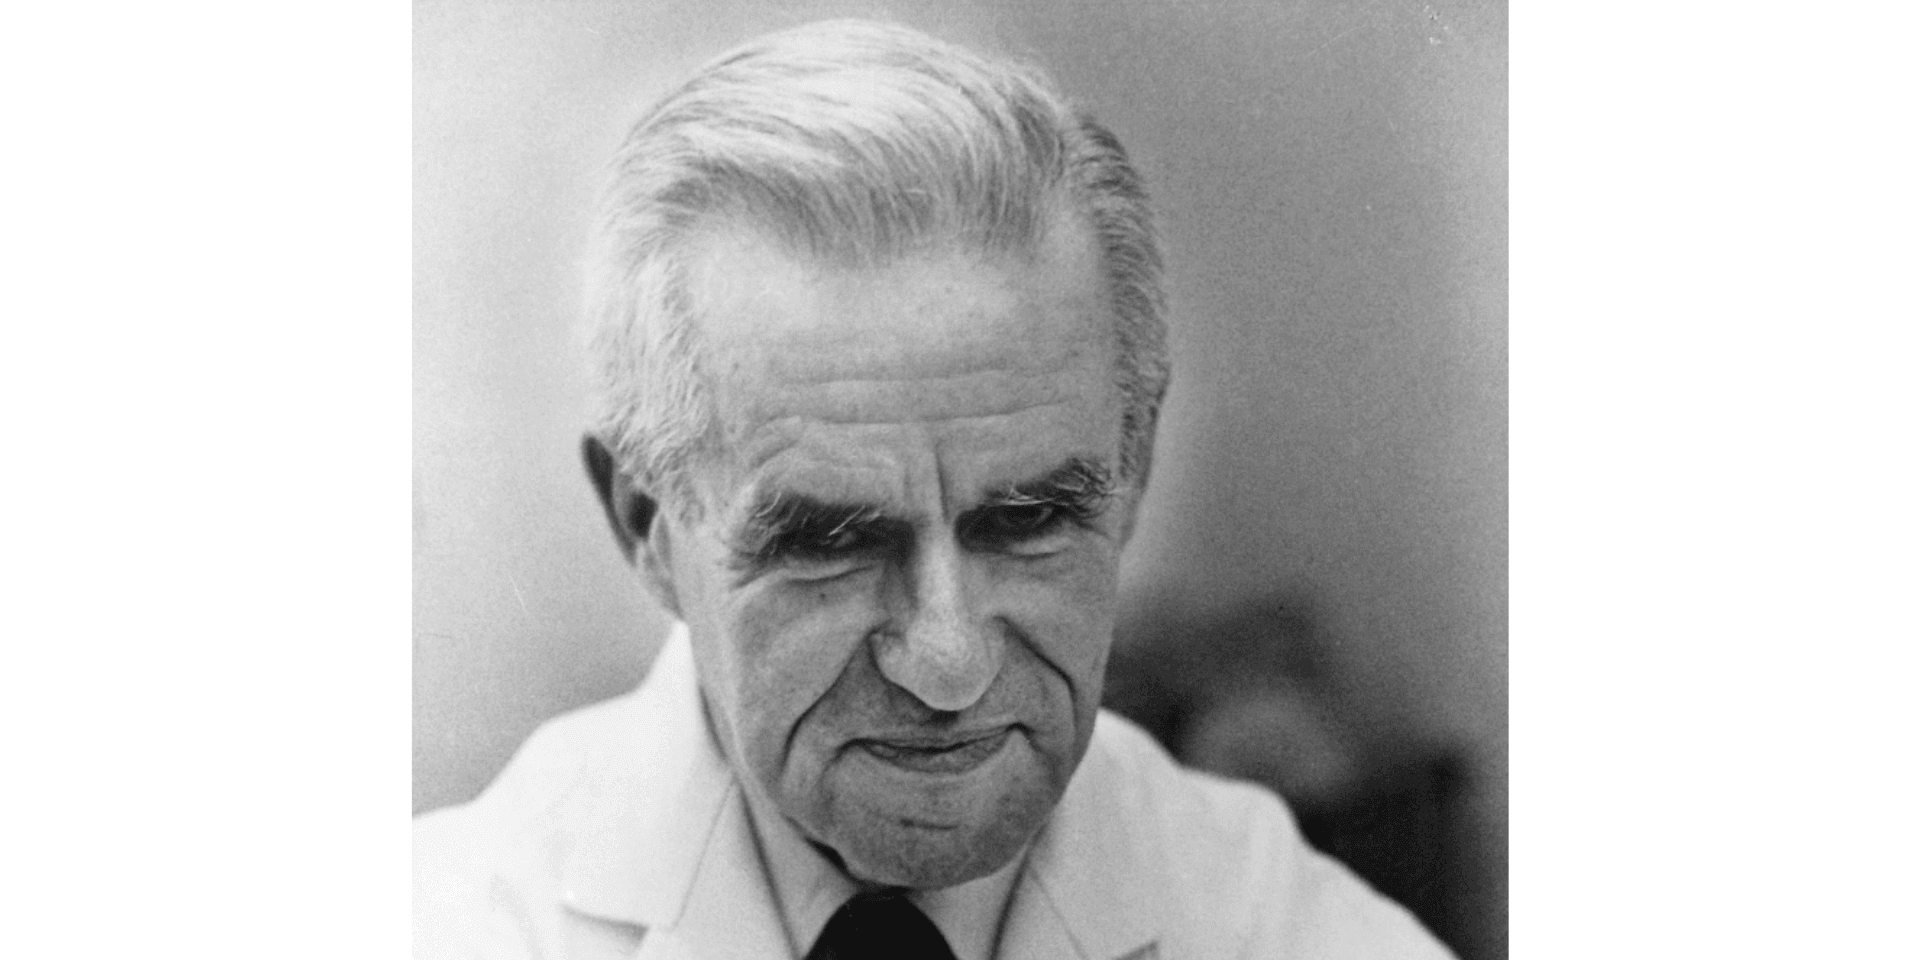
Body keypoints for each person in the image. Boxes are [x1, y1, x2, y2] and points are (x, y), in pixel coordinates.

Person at [414, 19, 1455, 960]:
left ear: (1132, 468)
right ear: (645, 523)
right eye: (831, 543)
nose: (949, 666)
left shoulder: (1288, 929)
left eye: (1029, 519)